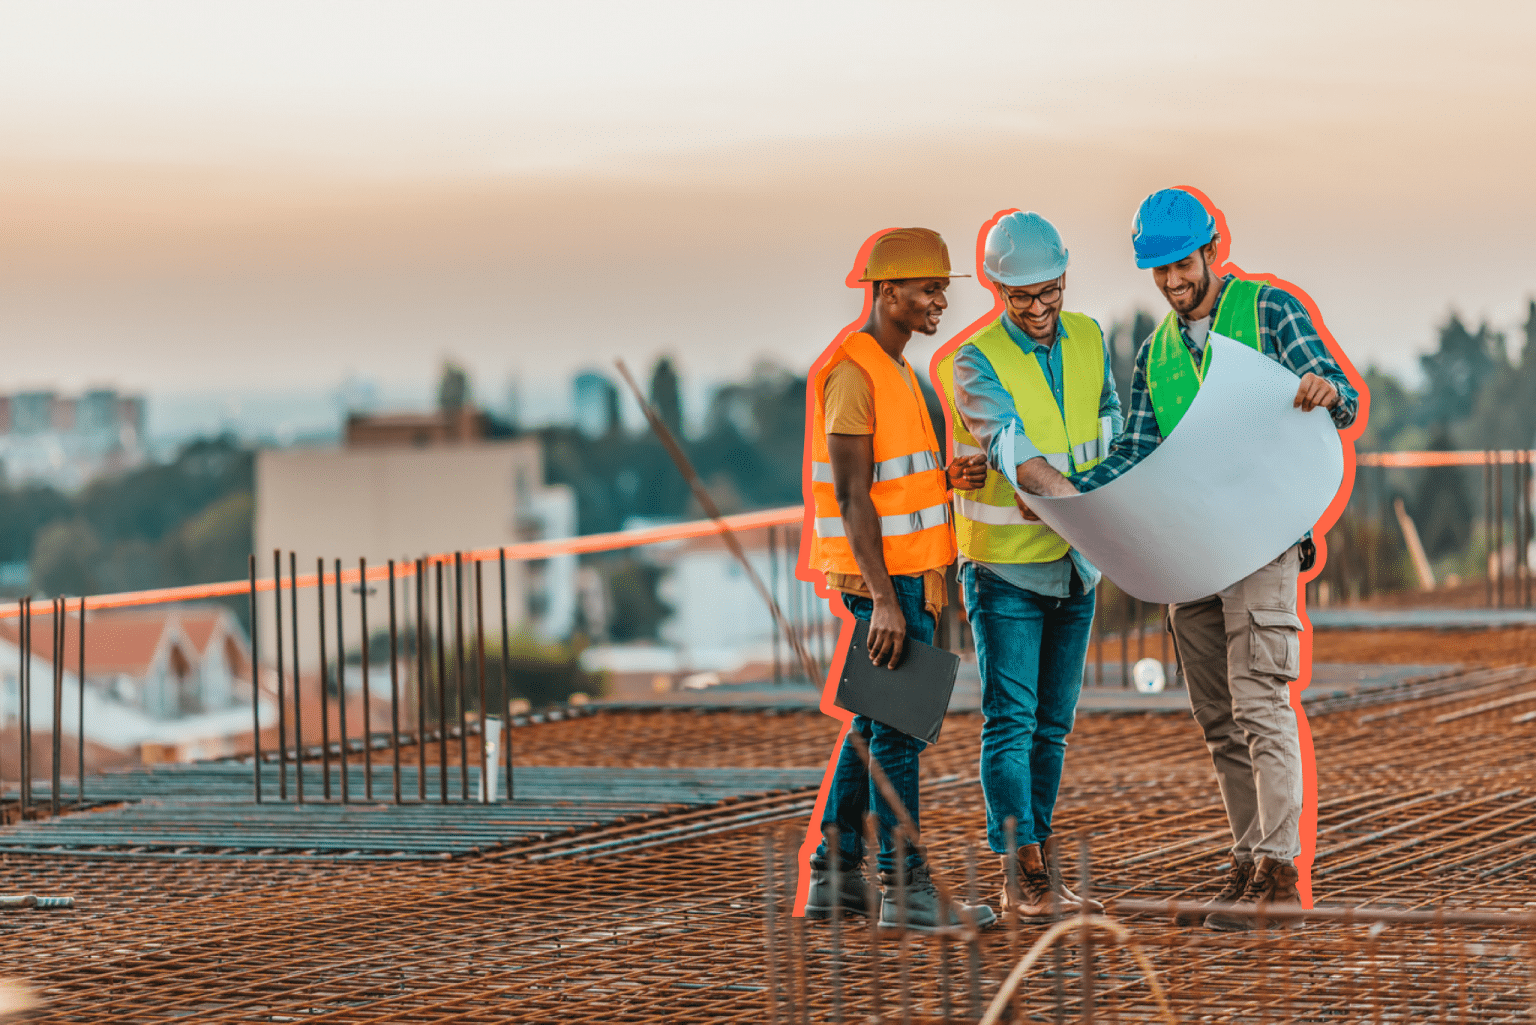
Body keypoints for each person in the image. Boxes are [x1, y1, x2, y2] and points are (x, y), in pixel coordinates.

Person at [1015, 188, 1359, 931]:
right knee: (1218, 715)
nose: (1172, 281)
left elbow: (1345, 400)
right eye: (1159, 270)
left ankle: (1278, 867)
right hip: (1187, 551)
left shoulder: (1267, 311)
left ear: (1211, 249)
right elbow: (1137, 452)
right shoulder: (1157, 353)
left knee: (1261, 698)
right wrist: (1070, 498)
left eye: (1181, 264)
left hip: (1260, 542)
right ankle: (1247, 862)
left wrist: (1322, 390)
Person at [802, 227, 996, 933]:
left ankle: (837, 877)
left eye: (943, 287)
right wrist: (883, 598)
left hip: (908, 575)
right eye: (927, 287)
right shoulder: (854, 371)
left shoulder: (900, 370)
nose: (940, 300)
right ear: (887, 291)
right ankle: (907, 888)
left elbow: (892, 485)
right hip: (884, 583)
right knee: (899, 730)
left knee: (874, 718)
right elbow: (853, 497)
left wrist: (949, 480)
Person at [934, 211, 1120, 918]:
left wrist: (1114, 517)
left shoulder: (1092, 339)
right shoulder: (974, 361)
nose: (1040, 310)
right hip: (1007, 569)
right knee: (1011, 720)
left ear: (1065, 276)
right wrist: (1082, 508)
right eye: (1023, 298)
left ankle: (1039, 861)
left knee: (1053, 724)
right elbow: (1010, 450)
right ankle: (1024, 872)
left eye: (1051, 292)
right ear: (996, 289)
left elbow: (1110, 430)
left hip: (1077, 568)